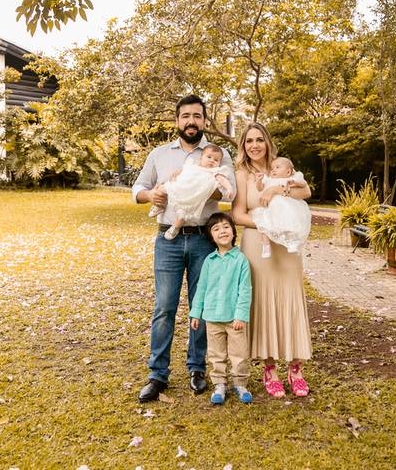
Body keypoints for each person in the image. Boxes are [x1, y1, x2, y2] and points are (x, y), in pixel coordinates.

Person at [132, 94, 236, 403]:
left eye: (197, 116)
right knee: (164, 307)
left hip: (205, 239)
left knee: (200, 306)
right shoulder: (160, 154)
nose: (191, 121)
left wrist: (209, 183)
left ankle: (197, 368)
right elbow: (137, 189)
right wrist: (151, 196)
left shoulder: (219, 155)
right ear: (178, 121)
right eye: (186, 116)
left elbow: (230, 193)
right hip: (169, 239)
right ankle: (157, 374)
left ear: (205, 121)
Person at [230, 122, 312, 398]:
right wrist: (266, 225)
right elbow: (238, 215)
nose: (254, 145)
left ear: (267, 142)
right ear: (243, 146)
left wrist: (276, 190)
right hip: (258, 242)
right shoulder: (241, 174)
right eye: (249, 141)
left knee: (290, 299)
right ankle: (270, 369)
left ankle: (296, 368)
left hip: (286, 246)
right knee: (263, 303)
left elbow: (306, 192)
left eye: (259, 140)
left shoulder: (282, 168)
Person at [189, 212, 253, 405]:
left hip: (234, 319)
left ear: (233, 232)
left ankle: (240, 383)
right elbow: (201, 288)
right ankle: (219, 384)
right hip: (212, 317)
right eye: (216, 229)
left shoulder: (241, 260)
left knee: (238, 353)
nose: (222, 231)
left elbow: (245, 291)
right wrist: (196, 313)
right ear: (211, 237)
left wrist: (241, 316)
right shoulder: (209, 261)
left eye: (226, 227)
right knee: (216, 354)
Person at [148, 144, 234, 240]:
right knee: (162, 188)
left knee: (183, 214)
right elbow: (184, 171)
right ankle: (160, 206)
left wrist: (229, 188)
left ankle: (175, 228)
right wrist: (177, 173)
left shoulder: (215, 172)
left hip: (193, 196)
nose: (211, 161)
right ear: (201, 157)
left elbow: (223, 180)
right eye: (209, 157)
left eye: (216, 160)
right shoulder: (193, 165)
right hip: (180, 187)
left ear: (219, 163)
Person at [250, 156, 312, 258]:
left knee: (291, 225)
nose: (274, 170)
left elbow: (304, 184)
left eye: (277, 167)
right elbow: (260, 188)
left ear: (288, 172)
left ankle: (292, 244)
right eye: (272, 168)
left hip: (288, 208)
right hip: (272, 209)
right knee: (264, 225)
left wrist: (296, 182)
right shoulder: (269, 179)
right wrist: (258, 181)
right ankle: (266, 246)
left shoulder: (291, 178)